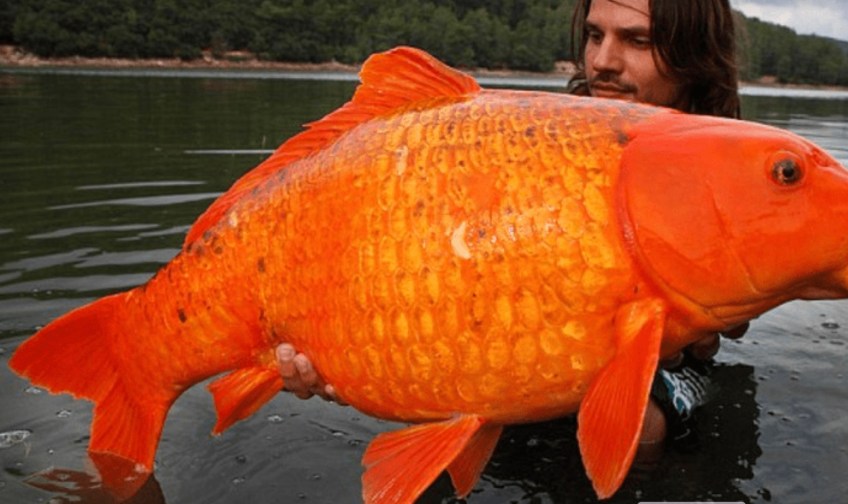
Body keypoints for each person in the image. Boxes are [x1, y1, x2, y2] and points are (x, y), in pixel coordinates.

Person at [277, 0, 746, 463]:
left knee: (644, 434)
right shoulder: (539, 134)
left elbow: (731, 309)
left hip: (648, 376)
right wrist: (351, 355)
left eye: (637, 40)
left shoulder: (721, 163)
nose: (603, 61)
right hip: (512, 358)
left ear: (695, 56)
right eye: (594, 35)